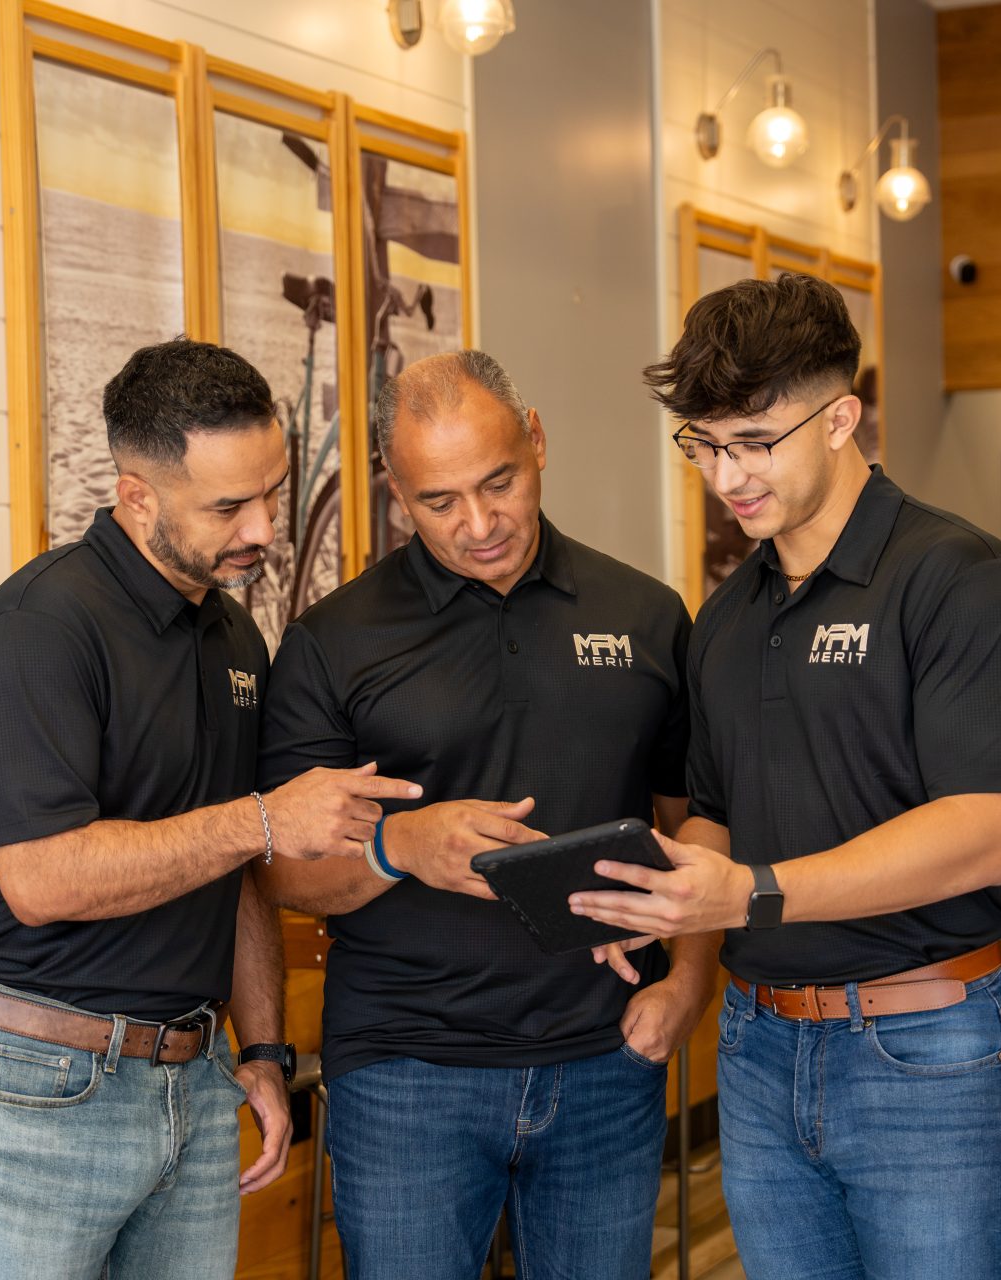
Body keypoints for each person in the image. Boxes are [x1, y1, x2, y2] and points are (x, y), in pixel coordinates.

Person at [573, 274, 1001, 1280]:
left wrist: (750, 891)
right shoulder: (726, 617)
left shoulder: (961, 581)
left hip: (932, 1049)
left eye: (756, 442)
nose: (726, 475)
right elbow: (717, 812)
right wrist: (671, 890)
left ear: (843, 418)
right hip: (759, 1048)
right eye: (704, 445)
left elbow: (988, 832)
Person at [0, 339, 422, 1279]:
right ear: (137, 496)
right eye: (228, 507)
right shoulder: (36, 632)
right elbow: (41, 880)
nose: (263, 529)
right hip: (38, 1089)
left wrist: (262, 1048)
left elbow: (234, 873)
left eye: (272, 493)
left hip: (194, 1082)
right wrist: (263, 819)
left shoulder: (231, 633)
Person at [256, 350, 717, 1280]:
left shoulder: (648, 615)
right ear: (396, 490)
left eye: (498, 482)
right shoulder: (330, 642)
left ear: (536, 439)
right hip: (404, 1072)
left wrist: (689, 985)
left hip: (606, 1058)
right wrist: (396, 847)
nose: (478, 524)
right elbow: (282, 874)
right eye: (439, 501)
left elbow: (699, 821)